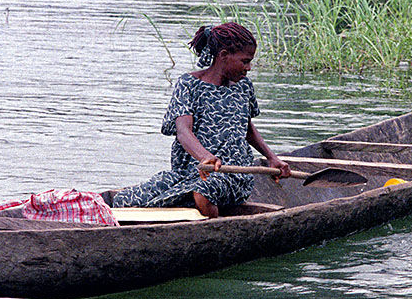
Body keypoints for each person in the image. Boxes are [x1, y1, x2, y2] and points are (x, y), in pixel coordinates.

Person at [110, 22, 290, 218]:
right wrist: (204, 156)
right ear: (223, 56)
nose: (248, 68)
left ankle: (214, 234)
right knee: (124, 201)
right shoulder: (188, 85)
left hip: (233, 173)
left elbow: (246, 128)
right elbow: (183, 131)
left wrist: (272, 158)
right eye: (245, 61)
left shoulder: (243, 87)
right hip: (190, 171)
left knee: (203, 191)